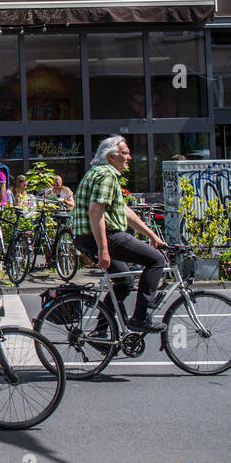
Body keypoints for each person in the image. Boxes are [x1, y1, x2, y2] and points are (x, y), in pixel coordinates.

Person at [71, 136, 169, 334]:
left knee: (123, 282)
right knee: (157, 260)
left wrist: (152, 235)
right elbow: (95, 212)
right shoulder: (107, 175)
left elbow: (124, 211)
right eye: (125, 153)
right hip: (104, 236)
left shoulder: (98, 173)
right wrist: (103, 249)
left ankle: (100, 329)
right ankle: (141, 318)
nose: (129, 157)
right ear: (111, 155)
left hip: (87, 237)